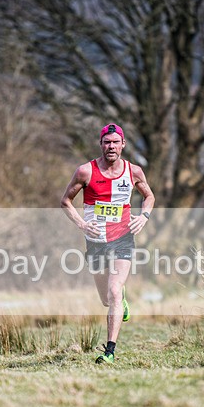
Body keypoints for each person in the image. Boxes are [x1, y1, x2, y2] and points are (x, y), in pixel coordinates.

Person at [60, 123, 155, 364]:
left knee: (113, 291)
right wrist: (82, 224)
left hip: (123, 237)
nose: (111, 146)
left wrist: (143, 217)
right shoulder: (85, 171)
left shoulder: (133, 171)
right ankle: (120, 300)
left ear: (123, 144)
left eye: (115, 142)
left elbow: (149, 196)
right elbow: (66, 202)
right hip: (95, 241)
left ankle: (110, 351)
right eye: (106, 142)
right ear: (100, 144)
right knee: (107, 298)